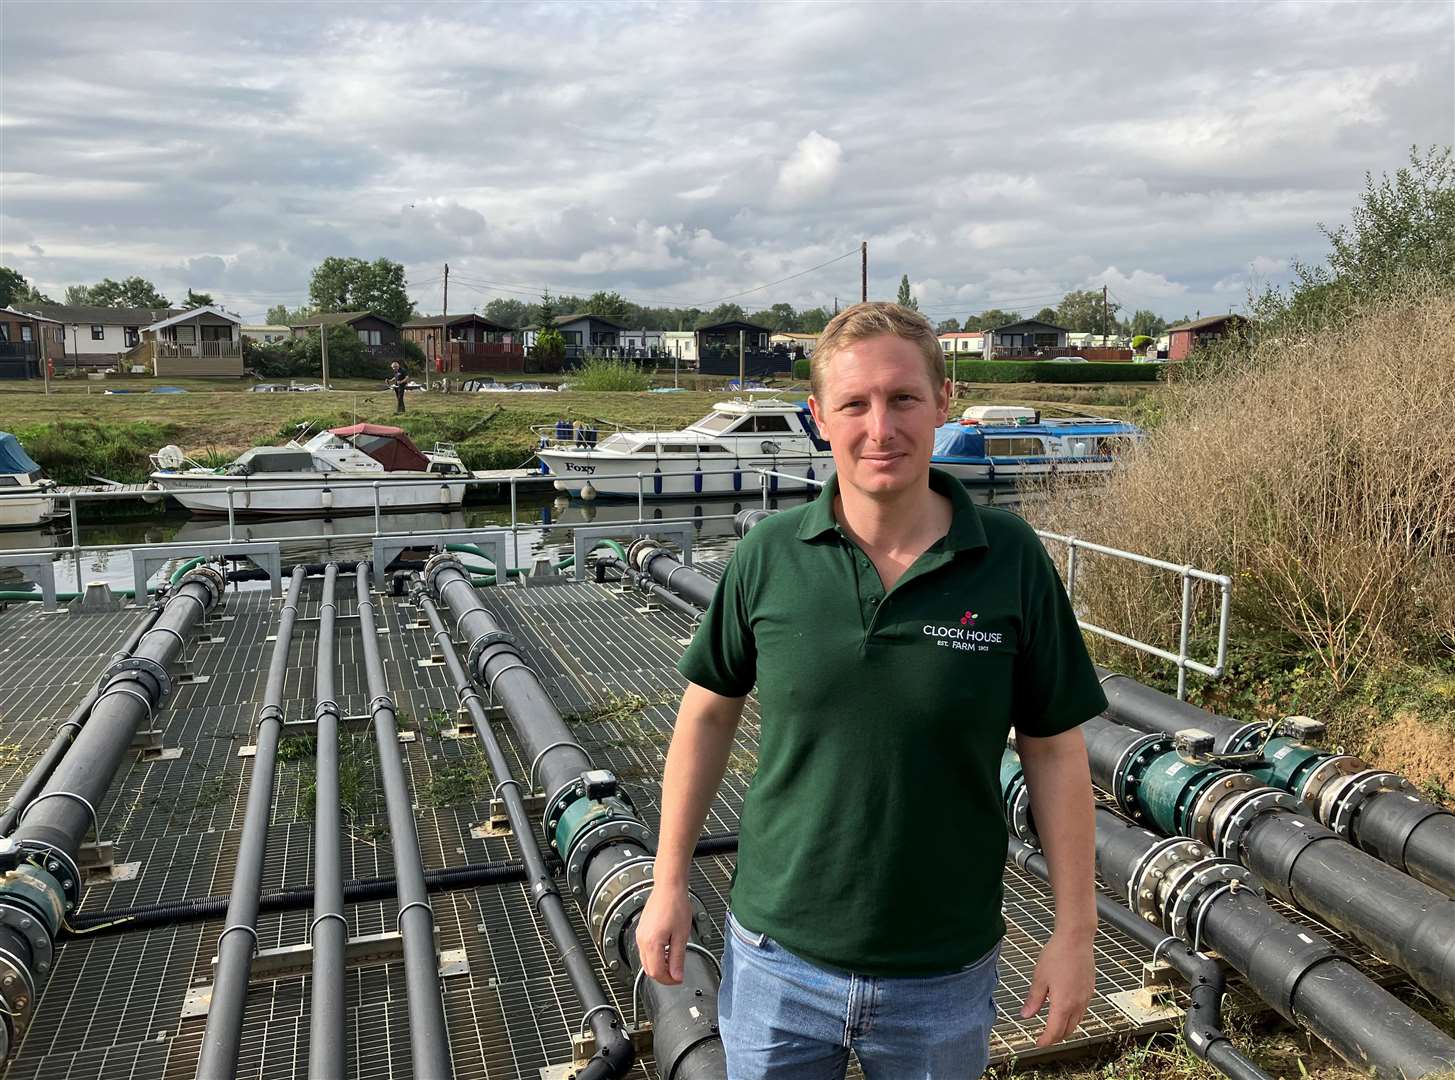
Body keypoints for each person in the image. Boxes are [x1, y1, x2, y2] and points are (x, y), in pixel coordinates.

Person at [636, 302, 1105, 1079]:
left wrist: (1074, 932)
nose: (879, 428)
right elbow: (706, 714)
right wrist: (668, 881)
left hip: (942, 974)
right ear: (819, 417)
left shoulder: (1010, 558)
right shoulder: (768, 554)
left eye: (902, 399)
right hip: (775, 960)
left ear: (942, 400)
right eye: (854, 404)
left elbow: (1053, 752)